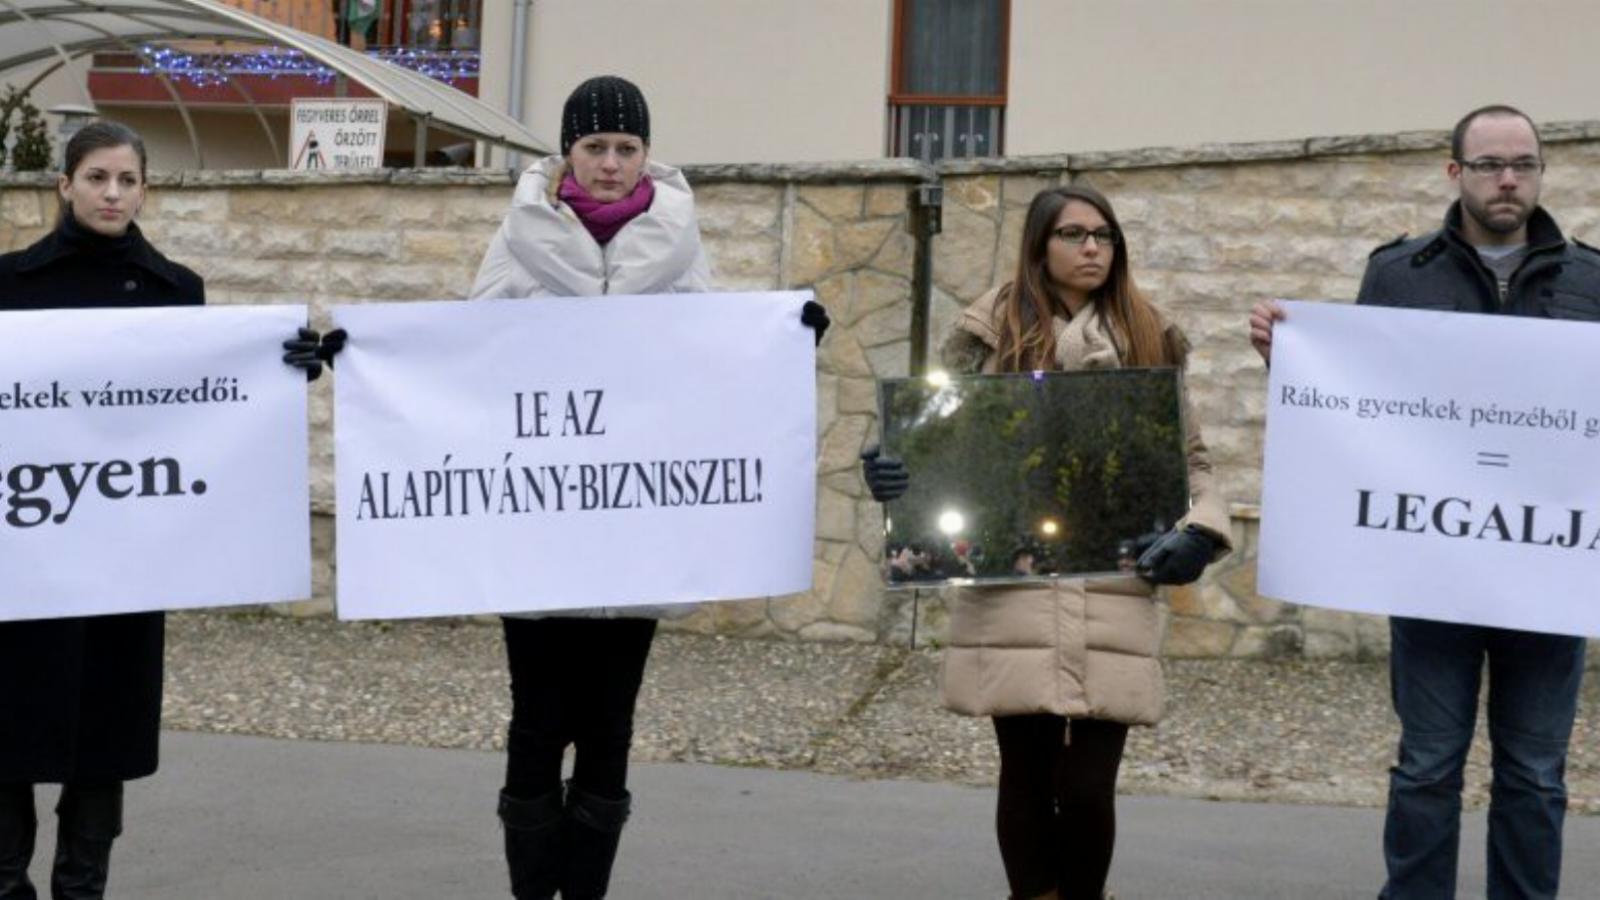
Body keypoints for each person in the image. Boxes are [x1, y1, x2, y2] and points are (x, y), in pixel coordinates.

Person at [470, 75, 826, 900]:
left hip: (635, 534)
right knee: (536, 720)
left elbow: (716, 358)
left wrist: (785, 341)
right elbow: (467, 356)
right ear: (567, 152)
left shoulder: (679, 245)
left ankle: (584, 890)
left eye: (626, 148)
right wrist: (371, 355)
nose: (609, 163)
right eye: (594, 147)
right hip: (543, 529)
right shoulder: (515, 239)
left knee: (609, 724)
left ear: (646, 154)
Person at [1250, 104, 1597, 900]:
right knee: (1427, 768)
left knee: (1537, 774)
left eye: (1523, 163)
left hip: (1549, 576)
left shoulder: (1593, 280)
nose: (1507, 178)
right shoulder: (1398, 274)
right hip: (1431, 572)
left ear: (1542, 172)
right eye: (1488, 164)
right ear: (1455, 173)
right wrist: (1292, 361)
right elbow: (1357, 403)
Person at [864, 185, 1231, 900]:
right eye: (1073, 234)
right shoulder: (986, 334)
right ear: (1040, 247)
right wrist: (890, 467)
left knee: (1090, 785)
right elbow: (930, 435)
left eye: (1104, 235)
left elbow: (1193, 461)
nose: (1093, 247)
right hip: (1014, 585)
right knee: (1027, 772)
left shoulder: (1150, 333)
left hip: (1114, 583)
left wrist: (1201, 529)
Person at [0, 120, 326, 900]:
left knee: (102, 731)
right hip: (27, 549)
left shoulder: (176, 289)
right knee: (8, 727)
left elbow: (205, 399)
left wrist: (286, 371)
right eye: (97, 178)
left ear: (146, 188)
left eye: (128, 180)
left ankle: (83, 887)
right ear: (64, 185)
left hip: (126, 552)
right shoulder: (7, 284)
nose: (113, 193)